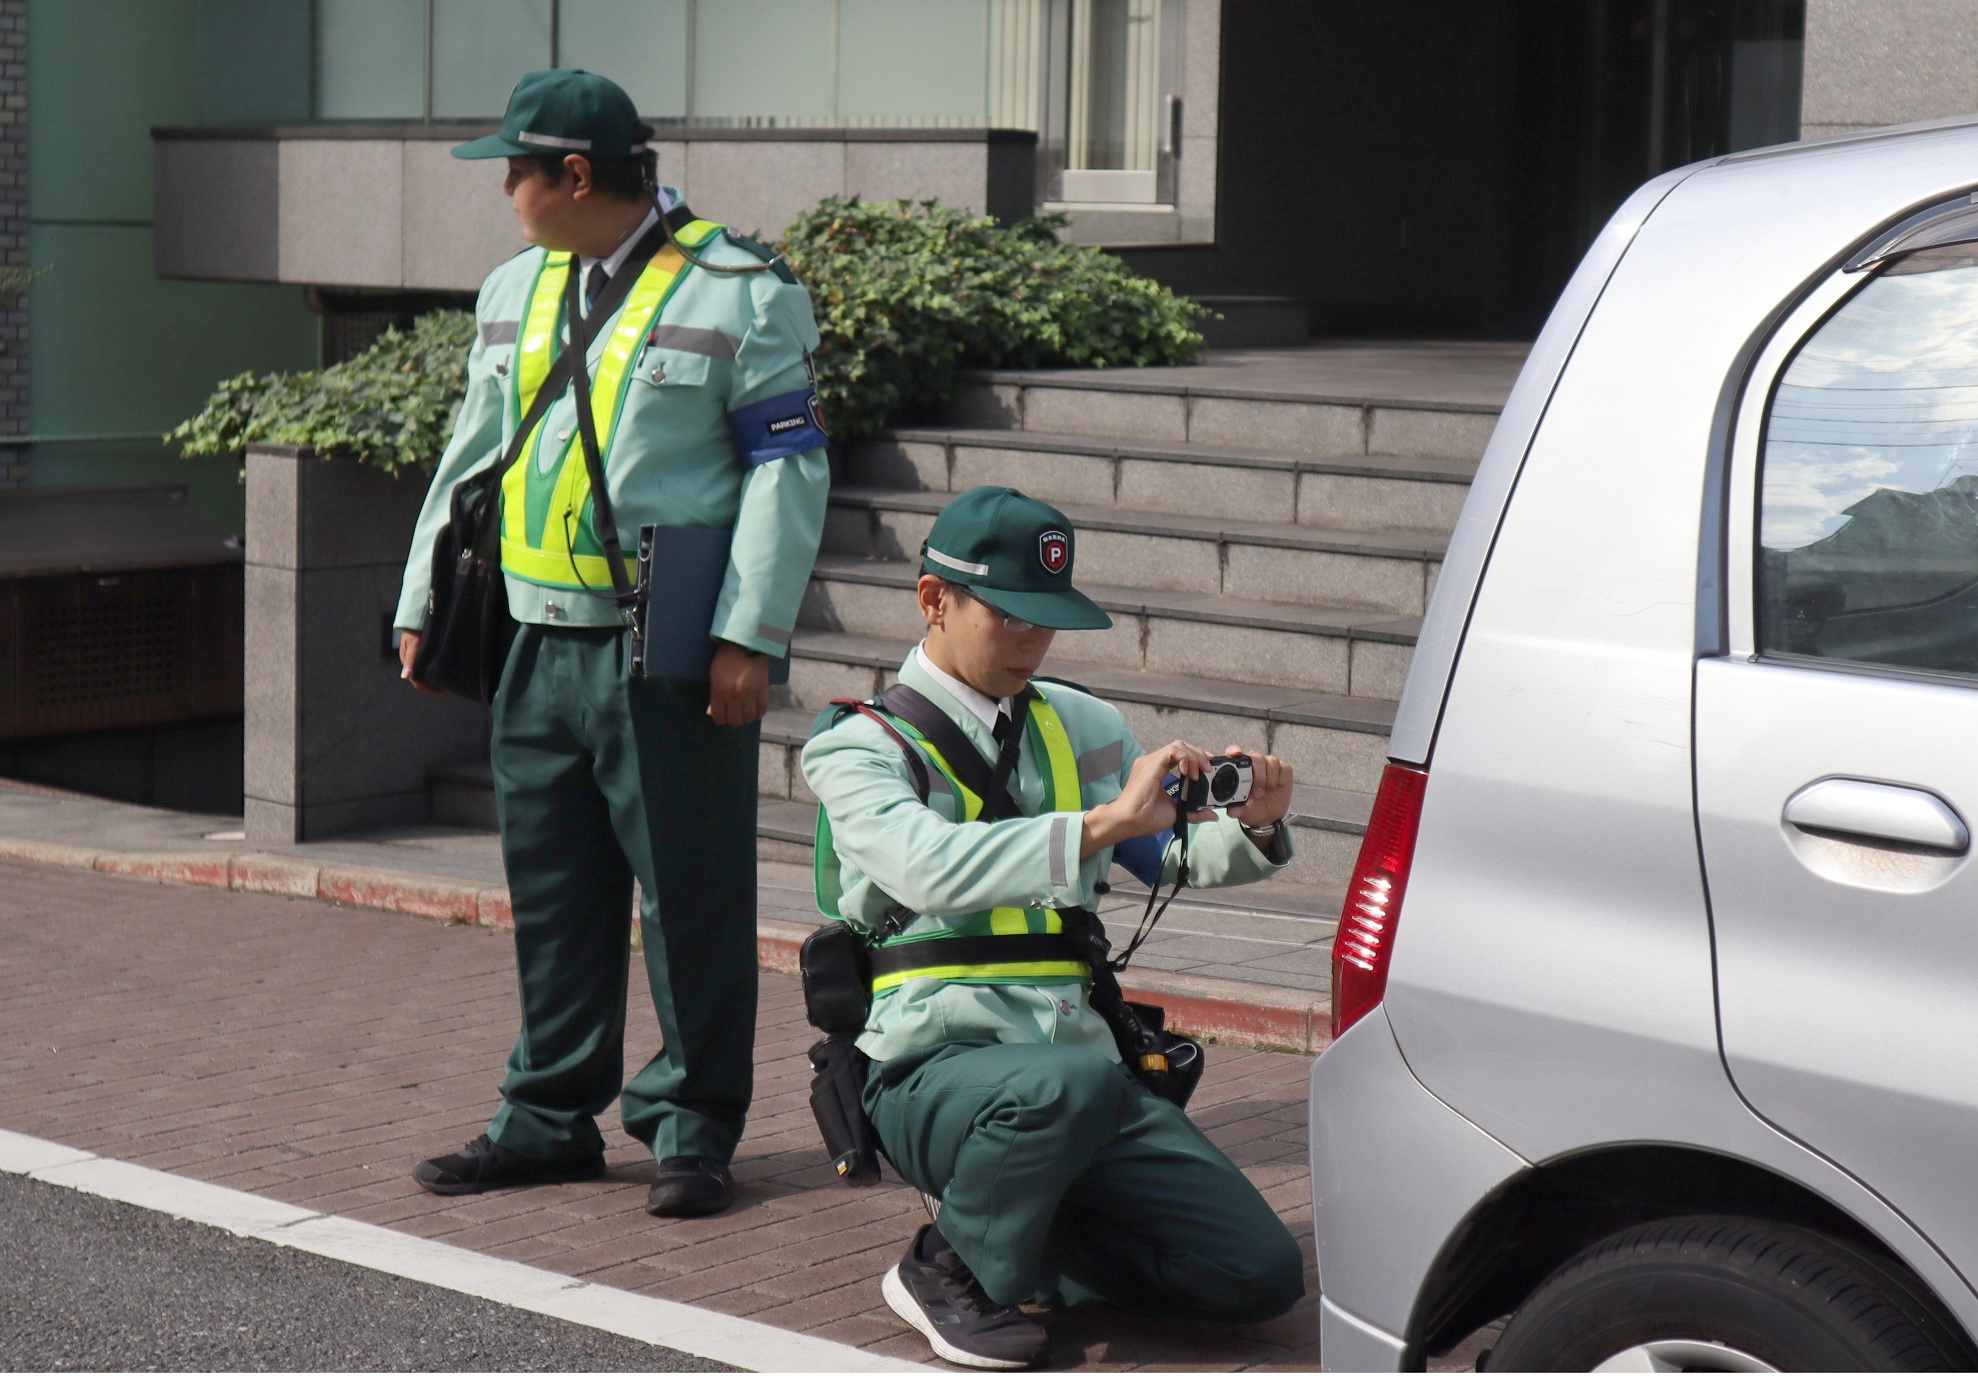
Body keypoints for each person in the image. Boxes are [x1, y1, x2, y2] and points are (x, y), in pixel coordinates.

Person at [393, 69, 829, 1218]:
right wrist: (416, 595)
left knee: (687, 893)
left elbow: (789, 467)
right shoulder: (514, 290)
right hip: (531, 643)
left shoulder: (742, 292)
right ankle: (546, 1118)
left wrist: (749, 635)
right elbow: (470, 453)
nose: (504, 189)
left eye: (513, 169)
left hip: (666, 647)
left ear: (573, 176)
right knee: (552, 891)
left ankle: (692, 1126)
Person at [800, 486, 1306, 1369]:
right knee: (1062, 1087)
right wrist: (1108, 823)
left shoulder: (1083, 723)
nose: (1032, 641)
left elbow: (1166, 860)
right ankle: (944, 1268)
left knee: (1256, 1274)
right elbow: (927, 865)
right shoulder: (859, 745)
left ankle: (1020, 1235)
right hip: (932, 1069)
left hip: (1082, 1074)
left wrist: (1254, 824)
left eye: (1048, 622)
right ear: (933, 600)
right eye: (1010, 617)